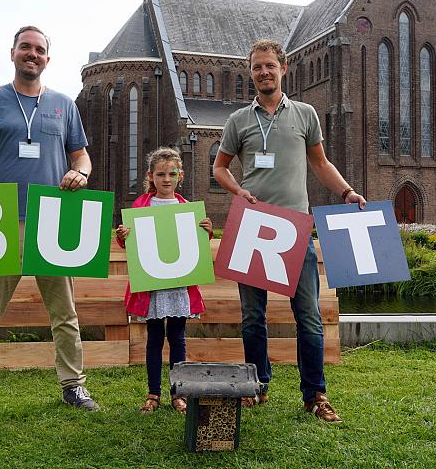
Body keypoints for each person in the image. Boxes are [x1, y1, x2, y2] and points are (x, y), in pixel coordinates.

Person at [0, 26, 99, 424]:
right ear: (12, 52)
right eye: (26, 47)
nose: (33, 54)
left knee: (64, 313)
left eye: (40, 49)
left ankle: (73, 384)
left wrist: (81, 174)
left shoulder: (64, 104)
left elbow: (82, 158)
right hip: (0, 222)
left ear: (48, 59)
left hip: (52, 221)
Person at [212, 39, 366, 423]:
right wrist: (237, 190)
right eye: (256, 67)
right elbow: (219, 167)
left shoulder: (305, 114)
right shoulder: (238, 121)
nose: (263, 72)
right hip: (253, 227)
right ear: (251, 73)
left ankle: (314, 394)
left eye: (269, 66)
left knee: (309, 317)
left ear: (283, 69)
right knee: (252, 317)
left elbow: (320, 163)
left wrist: (346, 191)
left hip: (296, 228)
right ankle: (257, 385)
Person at [115, 147, 213, 414]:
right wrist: (123, 236)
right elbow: (130, 247)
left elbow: (195, 247)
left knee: (178, 338)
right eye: (161, 174)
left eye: (171, 174)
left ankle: (178, 393)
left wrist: (206, 230)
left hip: (179, 284)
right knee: (154, 338)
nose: (166, 179)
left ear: (180, 175)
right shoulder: (141, 206)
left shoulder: (185, 207)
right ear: (151, 176)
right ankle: (153, 393)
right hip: (153, 285)